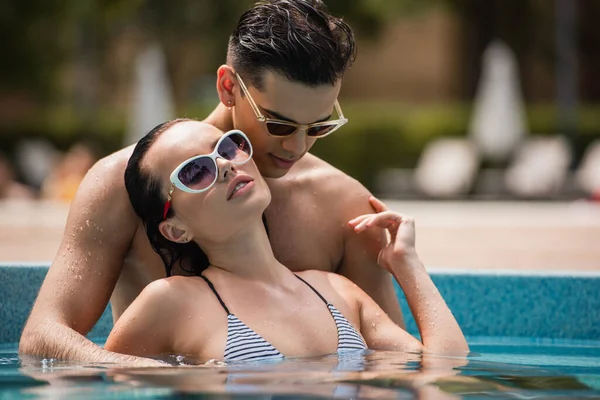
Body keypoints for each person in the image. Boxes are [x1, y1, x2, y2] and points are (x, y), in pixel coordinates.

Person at [20, 0, 405, 365]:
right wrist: (153, 373)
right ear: (228, 87)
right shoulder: (119, 184)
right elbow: (43, 336)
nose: (297, 146)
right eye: (280, 124)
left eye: (319, 126)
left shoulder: (343, 204)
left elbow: (394, 366)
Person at [103, 119, 468, 362]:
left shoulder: (337, 291)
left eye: (229, 148)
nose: (227, 165)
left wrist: (408, 265)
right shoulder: (169, 302)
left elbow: (442, 372)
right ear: (176, 229)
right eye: (197, 171)